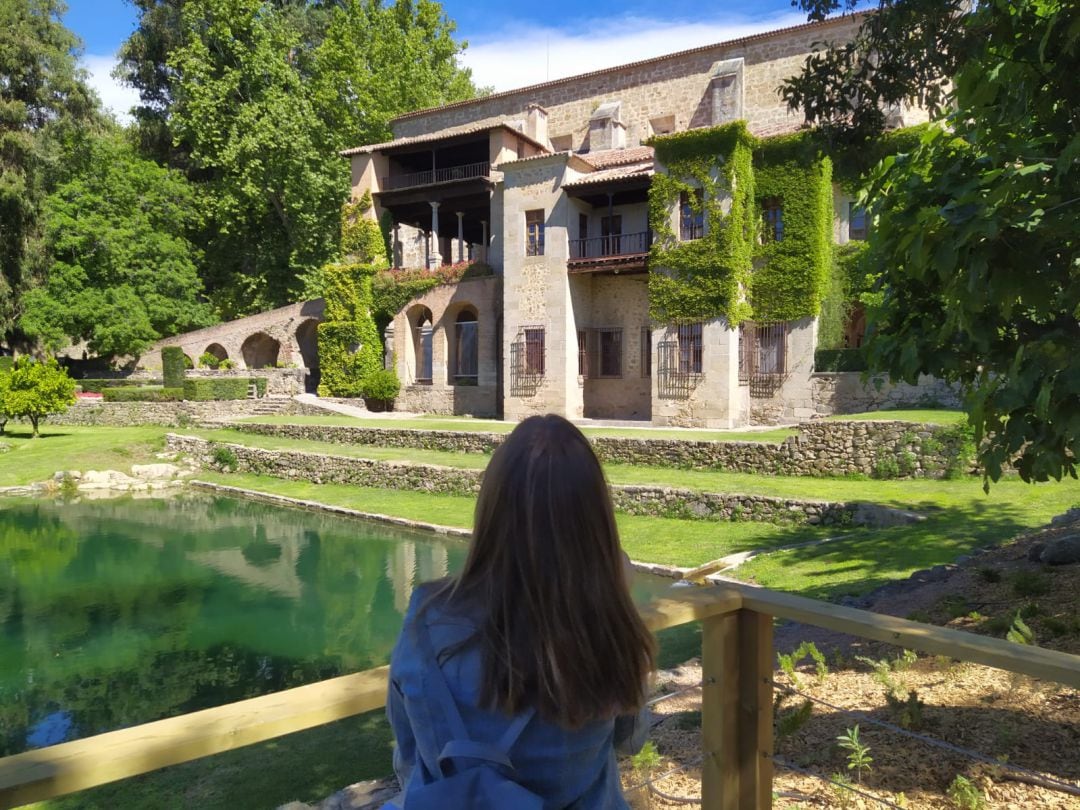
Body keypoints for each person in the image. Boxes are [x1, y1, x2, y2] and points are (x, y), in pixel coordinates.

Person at [384, 414, 656, 809]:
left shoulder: (425, 620)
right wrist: (618, 598)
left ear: (491, 509)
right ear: (595, 520)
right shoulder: (607, 631)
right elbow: (631, 739)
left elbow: (409, 755)